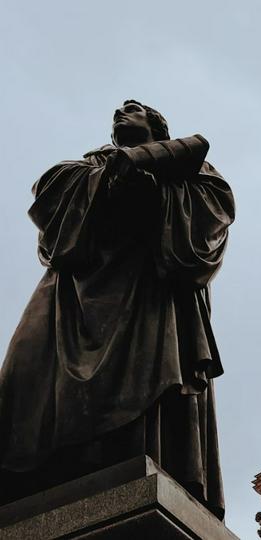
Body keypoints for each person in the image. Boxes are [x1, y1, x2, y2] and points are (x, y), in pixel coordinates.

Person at [0, 100, 234, 519]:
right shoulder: (88, 166)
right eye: (118, 113)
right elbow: (52, 202)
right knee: (22, 374)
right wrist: (113, 178)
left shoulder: (196, 172)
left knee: (144, 398)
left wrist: (154, 194)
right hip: (71, 297)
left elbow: (209, 221)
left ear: (156, 126)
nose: (121, 112)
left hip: (149, 293)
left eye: (134, 109)